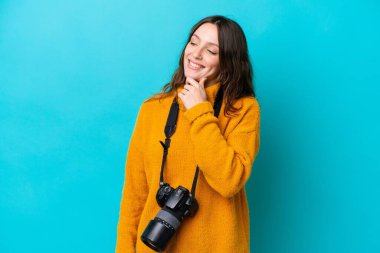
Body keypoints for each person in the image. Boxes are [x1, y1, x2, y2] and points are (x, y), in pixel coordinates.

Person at [115, 15, 260, 253]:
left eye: (211, 50)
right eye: (193, 42)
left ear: (229, 61)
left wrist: (200, 111)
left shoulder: (243, 110)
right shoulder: (153, 109)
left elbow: (229, 181)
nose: (196, 54)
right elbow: (134, 193)